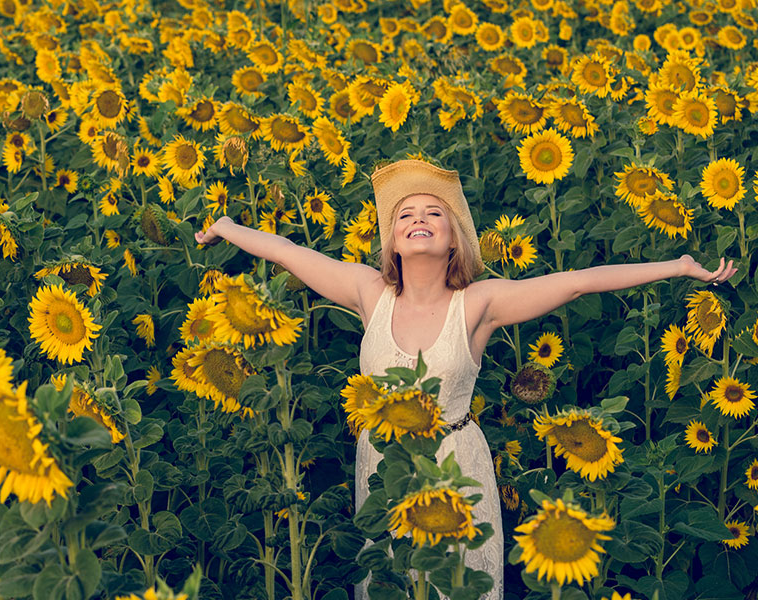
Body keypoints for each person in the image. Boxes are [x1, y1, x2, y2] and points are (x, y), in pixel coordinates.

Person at [195, 158, 737, 600]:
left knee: (460, 586)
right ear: (392, 242)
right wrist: (225, 227)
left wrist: (678, 265)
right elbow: (289, 252)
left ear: (455, 238)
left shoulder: (477, 304)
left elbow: (576, 282)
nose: (418, 218)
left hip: (459, 465)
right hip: (383, 466)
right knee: (391, 582)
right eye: (405, 214)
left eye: (435, 212)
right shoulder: (369, 294)